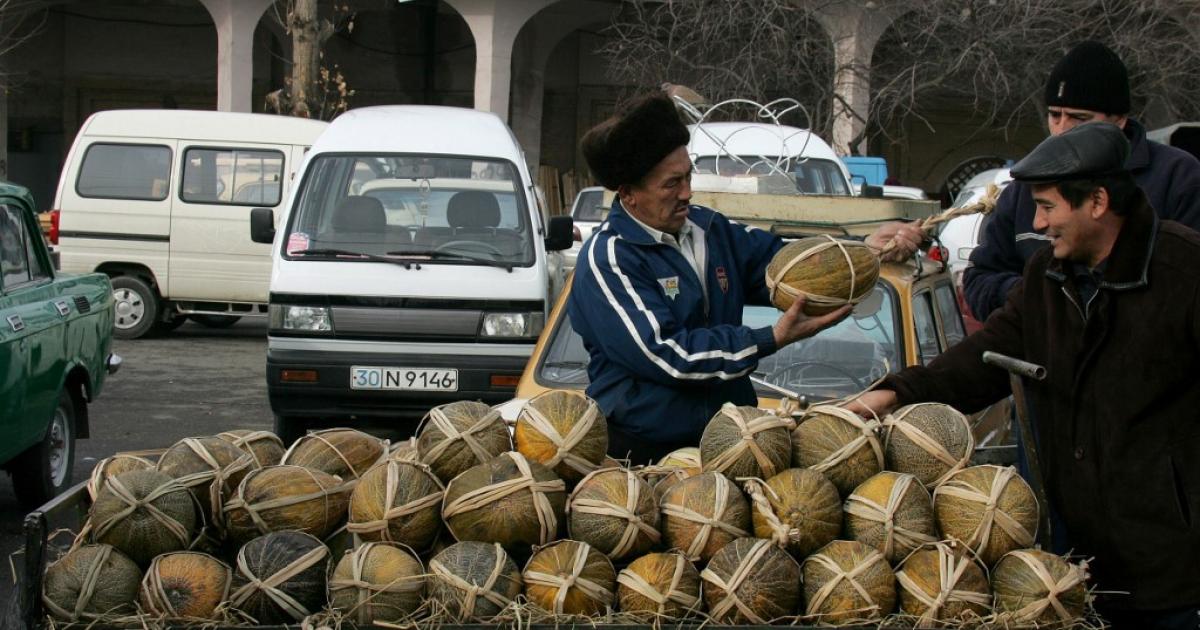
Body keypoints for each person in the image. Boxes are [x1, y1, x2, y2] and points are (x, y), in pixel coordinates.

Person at [849, 122, 1200, 630]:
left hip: (1173, 575)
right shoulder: (1047, 276)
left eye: (1049, 206)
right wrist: (896, 392)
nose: (1037, 222)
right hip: (1073, 568)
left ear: (1098, 201)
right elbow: (986, 355)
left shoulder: (1184, 271)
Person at [566, 93, 922, 464]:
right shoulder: (609, 260)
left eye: (688, 177)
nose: (687, 192)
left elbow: (787, 265)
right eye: (671, 184)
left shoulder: (711, 229)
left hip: (731, 440)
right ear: (628, 194)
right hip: (642, 453)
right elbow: (670, 355)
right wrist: (770, 338)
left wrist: (866, 249)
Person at [965, 40, 1200, 322]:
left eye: (1079, 118)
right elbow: (980, 279)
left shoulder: (1178, 177)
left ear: (1119, 120)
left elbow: (1187, 286)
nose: (1062, 129)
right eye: (1055, 115)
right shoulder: (1022, 189)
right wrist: (1039, 299)